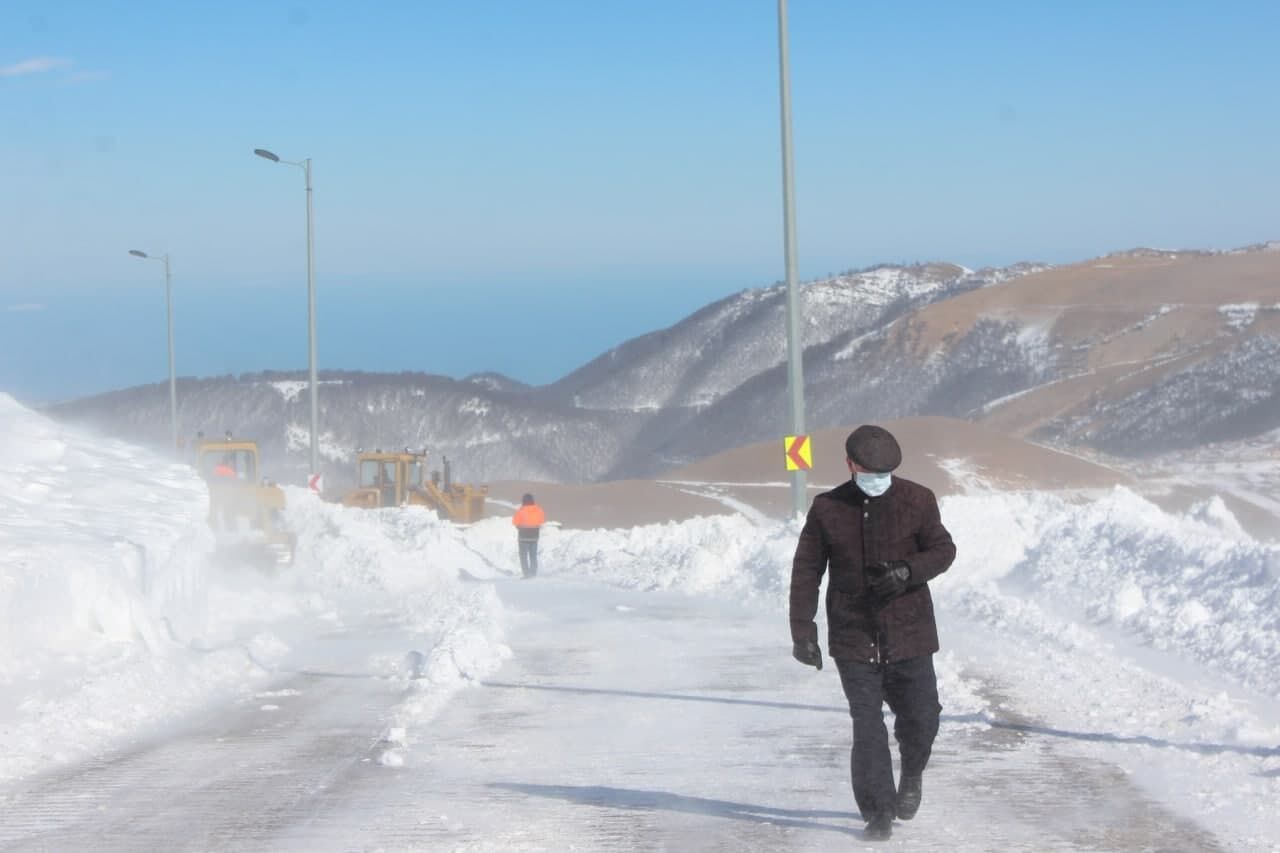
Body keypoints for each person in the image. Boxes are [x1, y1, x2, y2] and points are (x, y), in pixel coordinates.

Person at [789, 424, 956, 841]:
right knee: (867, 725)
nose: (878, 479)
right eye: (869, 470)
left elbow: (943, 550)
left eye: (885, 471)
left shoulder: (918, 500)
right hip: (853, 634)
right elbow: (807, 569)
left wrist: (907, 572)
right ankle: (877, 811)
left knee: (922, 718)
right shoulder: (828, 509)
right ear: (850, 465)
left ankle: (912, 773)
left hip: (910, 632)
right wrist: (802, 629)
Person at [512, 493, 545, 578]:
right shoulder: (539, 510)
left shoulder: (521, 511)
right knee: (533, 555)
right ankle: (533, 573)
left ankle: (526, 574)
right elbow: (541, 521)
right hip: (534, 537)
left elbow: (515, 522)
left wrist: (520, 527)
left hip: (523, 537)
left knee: (523, 556)